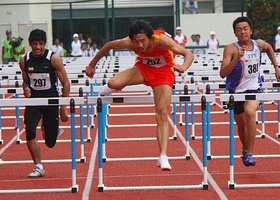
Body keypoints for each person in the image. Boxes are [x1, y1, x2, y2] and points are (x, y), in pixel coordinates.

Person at [85, 19, 194, 170]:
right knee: (112, 83)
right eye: (136, 42)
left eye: (143, 41)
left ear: (150, 37)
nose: (140, 45)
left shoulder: (161, 41)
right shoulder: (129, 42)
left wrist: (183, 66)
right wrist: (92, 65)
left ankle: (162, 156)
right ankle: (116, 86)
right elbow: (109, 46)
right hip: (143, 69)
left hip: (163, 73)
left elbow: (188, 54)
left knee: (161, 113)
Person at [220, 16, 280, 167]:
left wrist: (276, 67)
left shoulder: (258, 44)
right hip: (236, 91)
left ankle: (250, 153)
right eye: (239, 30)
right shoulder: (231, 48)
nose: (243, 32)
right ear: (235, 33)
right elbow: (222, 73)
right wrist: (236, 58)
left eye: (245, 29)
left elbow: (269, 47)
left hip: (255, 88)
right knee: (241, 127)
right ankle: (246, 150)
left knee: (250, 113)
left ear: (251, 30)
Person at [19, 29, 70, 177]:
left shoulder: (53, 58)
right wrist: (26, 88)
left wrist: (63, 108)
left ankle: (47, 127)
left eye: (41, 44)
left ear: (44, 44)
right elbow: (25, 81)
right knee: (29, 130)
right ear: (30, 44)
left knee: (50, 142)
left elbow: (66, 83)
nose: (38, 47)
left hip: (51, 99)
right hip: (34, 100)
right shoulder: (24, 60)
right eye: (34, 44)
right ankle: (38, 166)